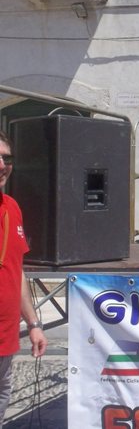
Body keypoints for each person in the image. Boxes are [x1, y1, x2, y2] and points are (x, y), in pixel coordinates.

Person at [0, 131, 48, 425]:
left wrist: (33, 324)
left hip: (5, 339)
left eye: (6, 158)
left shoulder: (12, 208)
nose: (1, 165)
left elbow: (16, 271)